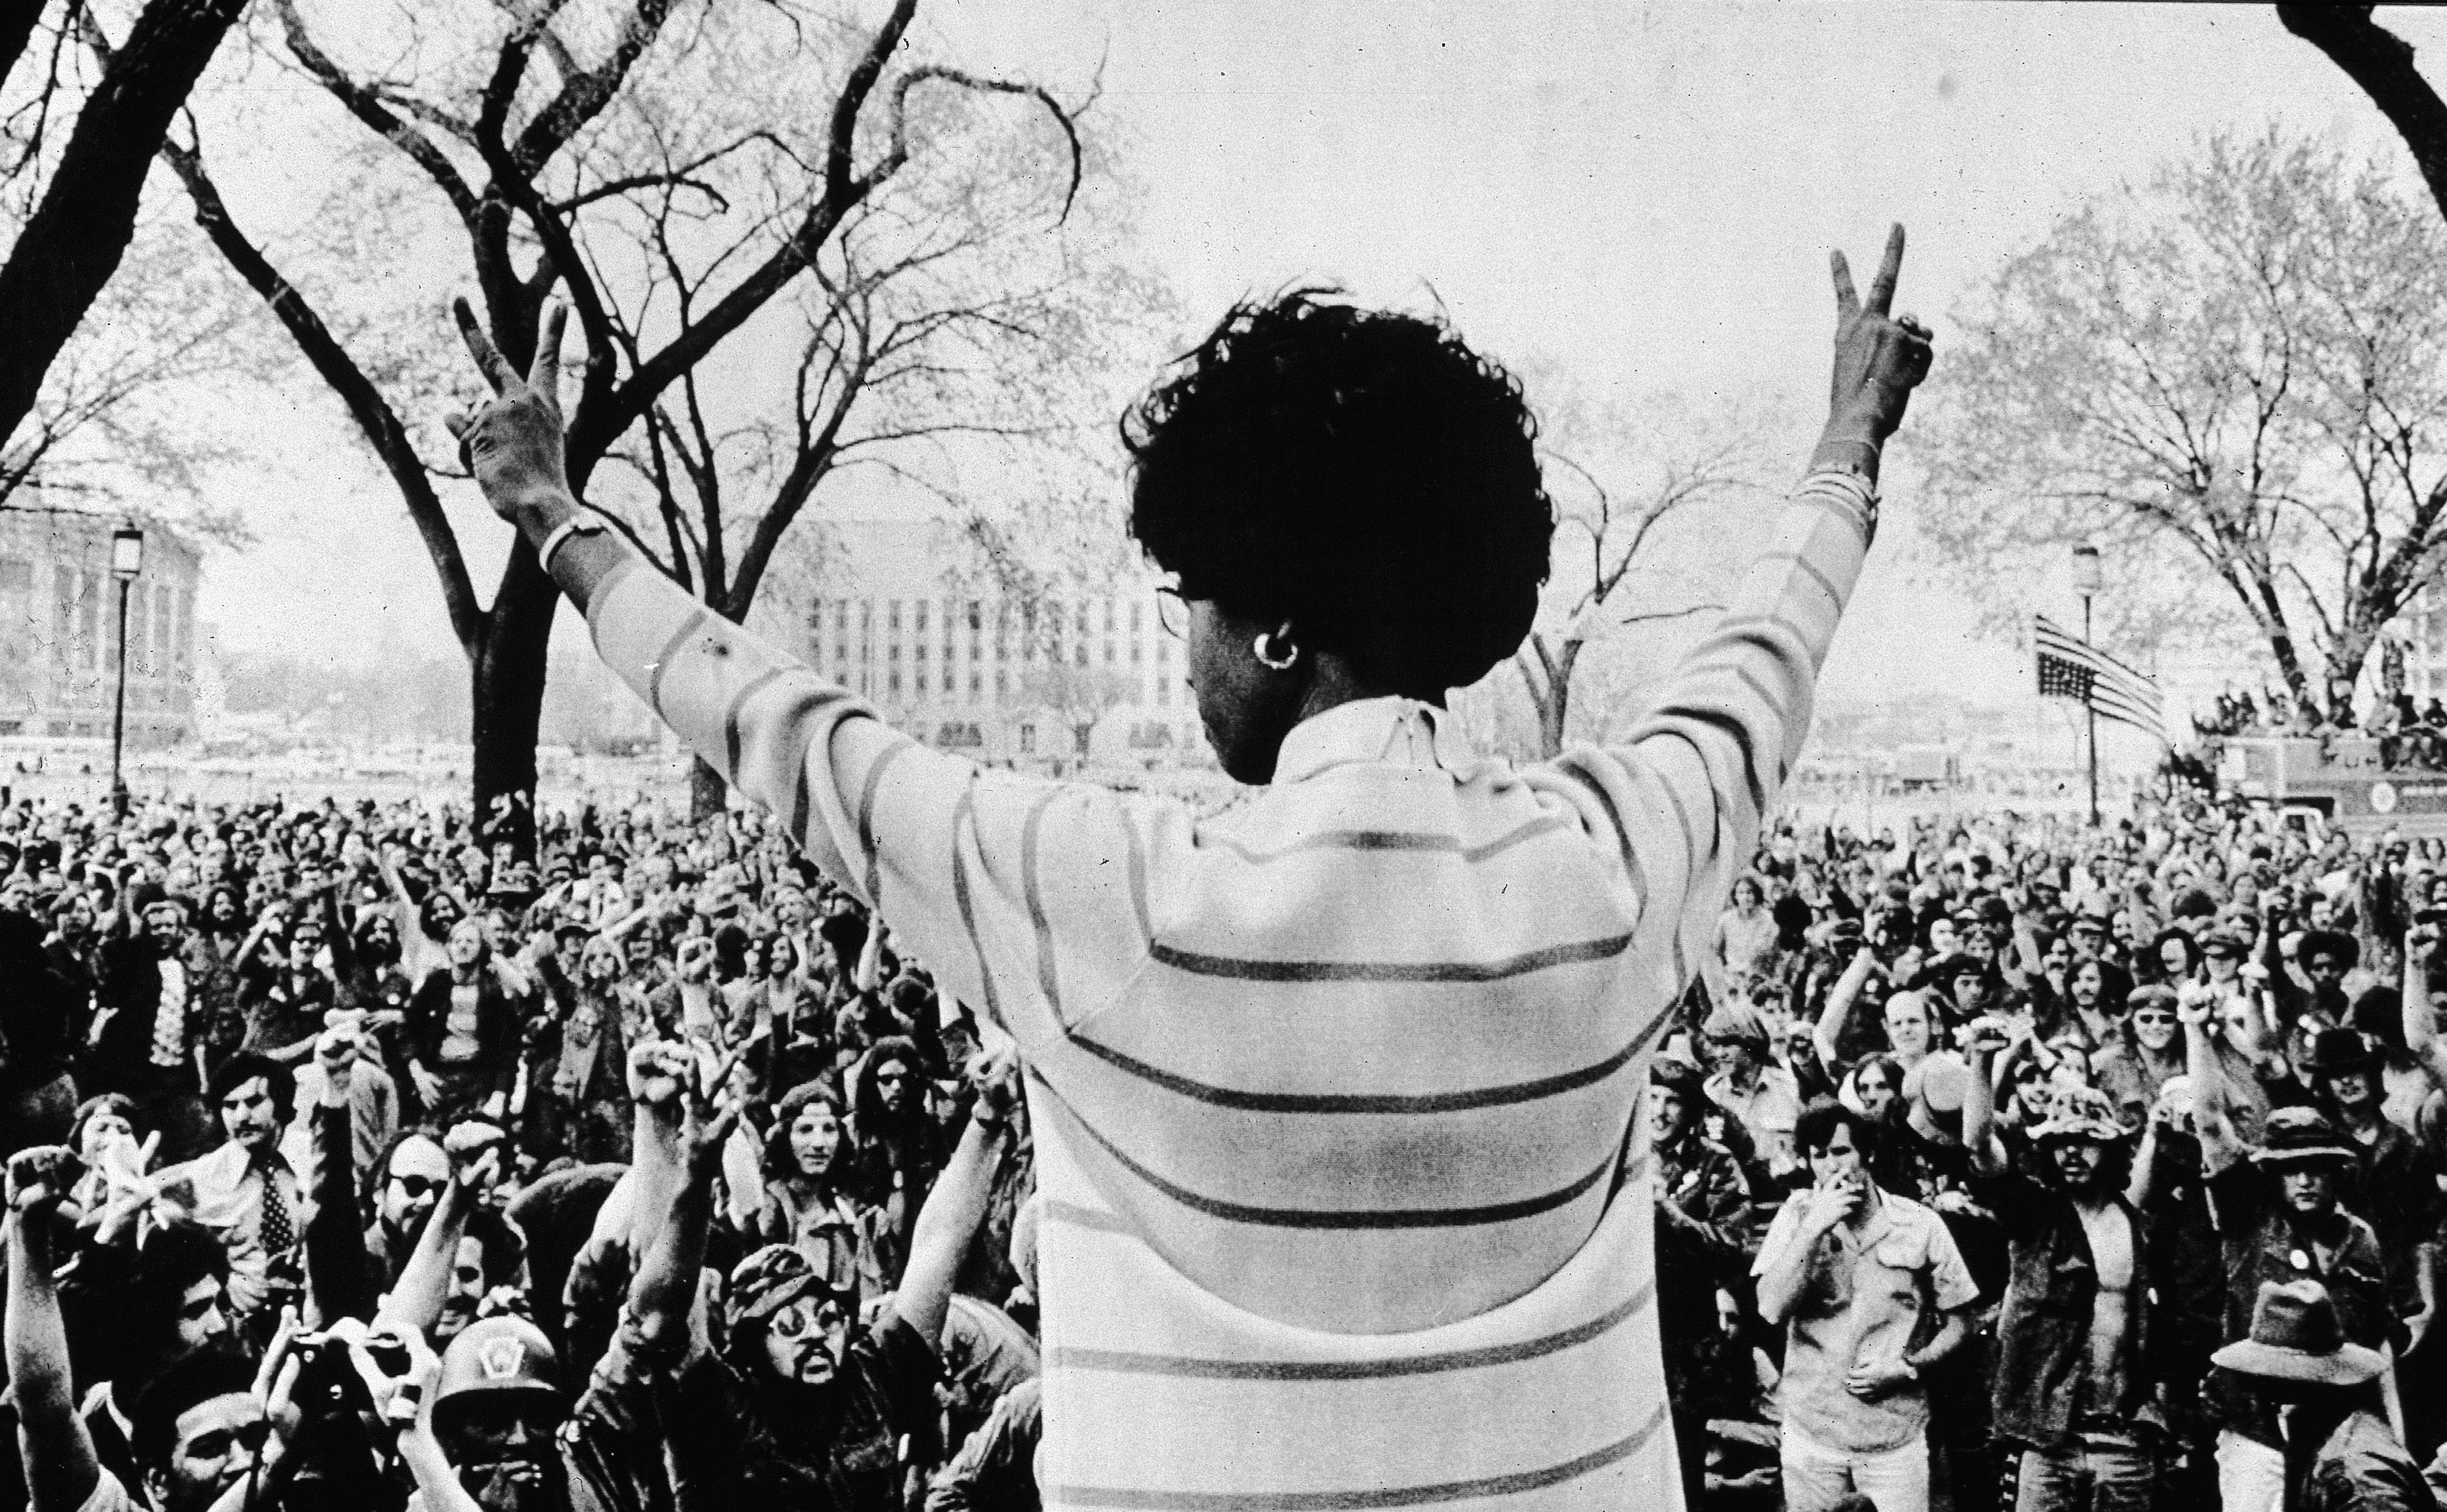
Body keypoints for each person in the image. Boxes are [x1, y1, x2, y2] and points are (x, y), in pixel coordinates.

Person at [446, 213, 1934, 1501]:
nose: (1186, 649)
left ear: (1277, 627)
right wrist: (1846, 437)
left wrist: (559, 517)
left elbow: (785, 729)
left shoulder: (1110, 895)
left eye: (1194, 602)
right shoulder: (1613, 869)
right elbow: (1765, 656)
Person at [1961, 1022, 2162, 1512]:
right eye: (2061, 1142)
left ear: (2110, 1148)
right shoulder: (2034, 1212)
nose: (2072, 1151)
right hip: (2045, 1432)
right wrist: (1984, 1062)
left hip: (2122, 1428)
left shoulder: (2132, 1220)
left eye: (2086, 1140)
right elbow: (1979, 1143)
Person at [1753, 1098, 1978, 1512]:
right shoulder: (1796, 1217)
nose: (1832, 1166)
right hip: (1813, 1432)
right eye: (1819, 1156)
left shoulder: (1920, 1224)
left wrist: (1911, 1366)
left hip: (1892, 1435)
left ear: (1868, 1154)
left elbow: (1962, 1324)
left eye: (1842, 1152)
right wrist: (1813, 1229)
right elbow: (1770, 1309)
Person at [2213, 1279, 2436, 1512]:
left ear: (2281, 1396)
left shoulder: (2355, 1477)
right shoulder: (2319, 1438)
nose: (2256, 1402)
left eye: (2259, 1386)